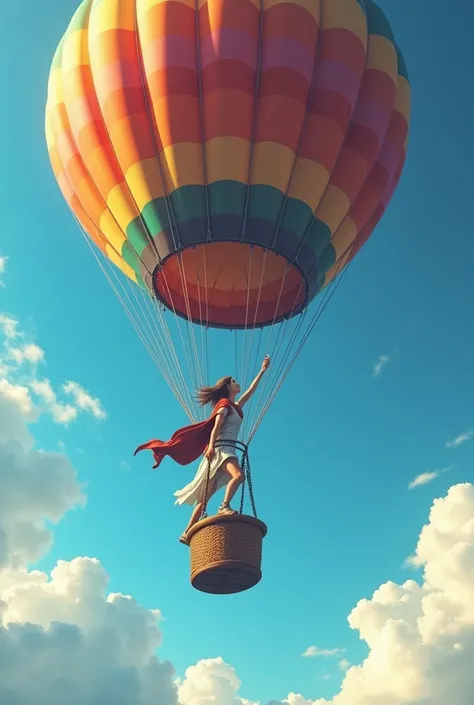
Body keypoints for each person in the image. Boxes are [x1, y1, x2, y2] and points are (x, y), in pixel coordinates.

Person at [134, 356, 270, 545]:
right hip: (222, 449)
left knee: (205, 498)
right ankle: (224, 506)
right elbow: (216, 427)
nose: (237, 384)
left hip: (228, 449)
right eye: (234, 382)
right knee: (238, 477)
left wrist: (263, 371)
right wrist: (212, 446)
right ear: (227, 387)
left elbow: (250, 392)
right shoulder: (223, 406)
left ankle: (187, 530)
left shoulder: (235, 407)